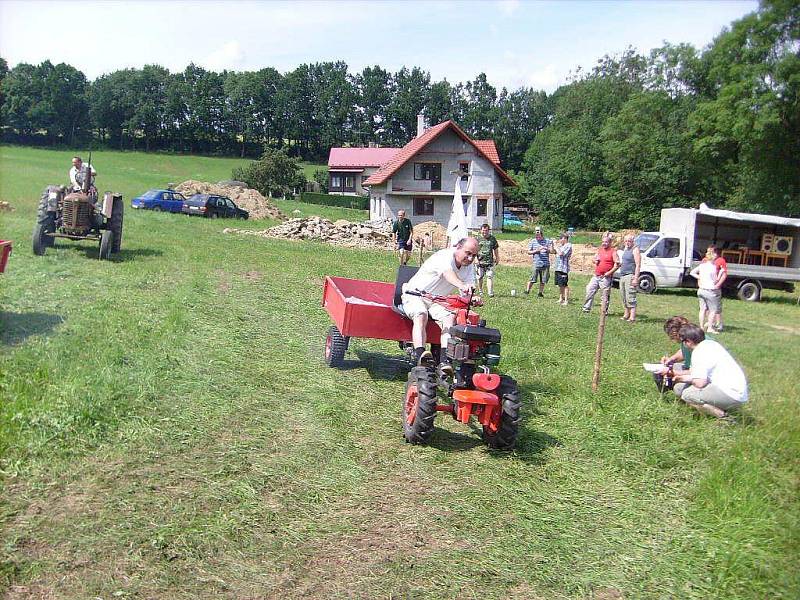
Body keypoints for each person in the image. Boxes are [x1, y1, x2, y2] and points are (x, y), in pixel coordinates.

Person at [401, 237, 477, 371]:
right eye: (468, 253)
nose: (470, 258)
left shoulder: (468, 267)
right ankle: (420, 355)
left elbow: (468, 289)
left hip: (438, 300)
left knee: (450, 318)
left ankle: (443, 361)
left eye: (474, 255)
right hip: (414, 294)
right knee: (421, 315)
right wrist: (462, 285)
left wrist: (473, 297)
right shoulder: (444, 256)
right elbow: (447, 274)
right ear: (458, 247)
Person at [672, 323, 748, 419]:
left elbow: (700, 383)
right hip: (738, 392)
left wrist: (683, 379)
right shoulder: (711, 344)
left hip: (731, 394)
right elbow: (701, 376)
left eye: (683, 341)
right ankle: (718, 408)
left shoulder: (699, 352)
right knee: (679, 388)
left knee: (687, 394)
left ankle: (723, 417)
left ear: (689, 341)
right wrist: (680, 378)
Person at [582, 233, 620, 313]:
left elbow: (618, 264)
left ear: (610, 243)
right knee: (589, 290)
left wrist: (609, 273)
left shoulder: (613, 252)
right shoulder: (600, 250)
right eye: (603, 242)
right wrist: (595, 261)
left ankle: (603, 311)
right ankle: (586, 309)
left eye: (606, 242)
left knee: (604, 295)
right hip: (596, 276)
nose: (604, 243)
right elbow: (594, 259)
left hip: (605, 277)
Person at [690, 246, 724, 333]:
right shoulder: (713, 267)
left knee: (702, 310)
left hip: (701, 290)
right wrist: (721, 273)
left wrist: (700, 278)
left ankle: (701, 327)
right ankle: (709, 328)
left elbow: (692, 272)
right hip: (710, 290)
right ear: (713, 258)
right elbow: (715, 280)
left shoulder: (702, 266)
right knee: (713, 310)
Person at [651, 315, 691, 391]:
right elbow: (684, 352)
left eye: (673, 337)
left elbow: (697, 373)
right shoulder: (687, 339)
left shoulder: (697, 341)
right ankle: (665, 392)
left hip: (703, 378)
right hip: (690, 369)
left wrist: (672, 372)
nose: (671, 339)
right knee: (658, 370)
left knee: (679, 389)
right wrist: (671, 359)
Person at [617, 234, 641, 322]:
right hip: (623, 275)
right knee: (624, 296)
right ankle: (626, 314)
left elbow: (638, 265)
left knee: (630, 296)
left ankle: (632, 317)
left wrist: (635, 278)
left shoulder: (635, 250)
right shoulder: (625, 249)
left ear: (633, 241)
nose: (627, 243)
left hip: (630, 275)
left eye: (629, 241)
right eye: (626, 241)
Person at [525, 226, 553, 297]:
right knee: (532, 278)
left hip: (545, 263)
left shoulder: (548, 241)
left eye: (538, 234)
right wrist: (536, 251)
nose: (537, 235)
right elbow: (528, 252)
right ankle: (527, 291)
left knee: (543, 280)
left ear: (541, 233)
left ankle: (540, 293)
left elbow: (552, 251)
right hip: (536, 263)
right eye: (536, 234)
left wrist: (548, 249)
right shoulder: (533, 241)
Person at [476, 223, 499, 298]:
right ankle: (480, 291)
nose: (484, 232)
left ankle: (490, 292)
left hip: (489, 262)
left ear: (488, 231)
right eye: (483, 230)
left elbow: (495, 248)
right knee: (480, 277)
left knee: (489, 277)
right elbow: (474, 250)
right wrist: (475, 259)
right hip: (480, 262)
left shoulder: (492, 238)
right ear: (480, 230)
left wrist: (497, 257)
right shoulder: (477, 239)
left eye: (486, 231)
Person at [553, 232, 572, 305]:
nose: (559, 239)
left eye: (561, 238)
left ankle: (566, 300)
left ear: (565, 238)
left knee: (564, 284)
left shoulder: (568, 245)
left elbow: (561, 254)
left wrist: (555, 245)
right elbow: (553, 252)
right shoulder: (561, 246)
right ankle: (561, 298)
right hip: (558, 267)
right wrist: (553, 246)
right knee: (560, 284)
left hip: (563, 268)